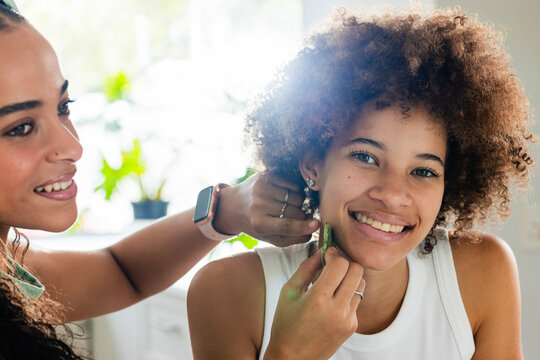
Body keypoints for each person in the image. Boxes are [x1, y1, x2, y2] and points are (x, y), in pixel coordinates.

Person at [187, 6, 534, 360]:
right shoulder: (226, 292)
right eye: (365, 157)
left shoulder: (483, 272)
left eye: (424, 171)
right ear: (313, 164)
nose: (393, 194)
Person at [0, 2, 321, 359]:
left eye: (63, 106)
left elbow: (123, 271)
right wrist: (289, 353)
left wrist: (228, 209)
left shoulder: (9, 270)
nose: (72, 146)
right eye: (20, 128)